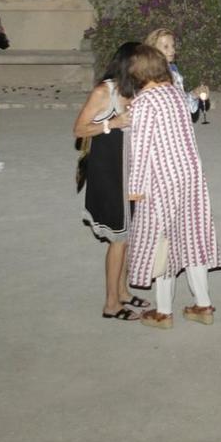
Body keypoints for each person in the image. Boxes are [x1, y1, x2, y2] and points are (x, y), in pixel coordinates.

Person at [123, 44, 219, 329]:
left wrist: (135, 188)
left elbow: (140, 151)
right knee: (192, 238)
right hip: (190, 175)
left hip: (161, 181)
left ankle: (163, 312)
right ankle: (203, 305)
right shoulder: (176, 93)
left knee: (162, 243)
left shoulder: (144, 102)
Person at [76, 42, 142, 320]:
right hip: (108, 174)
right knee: (119, 239)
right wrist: (111, 123)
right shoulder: (104, 91)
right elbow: (78, 129)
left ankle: (124, 291)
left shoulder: (136, 90)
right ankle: (111, 303)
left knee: (129, 236)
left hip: (129, 172)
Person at [145, 28, 211, 121]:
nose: (172, 51)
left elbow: (183, 104)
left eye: (173, 46)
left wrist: (195, 94)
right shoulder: (146, 75)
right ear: (152, 50)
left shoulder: (173, 71)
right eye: (166, 47)